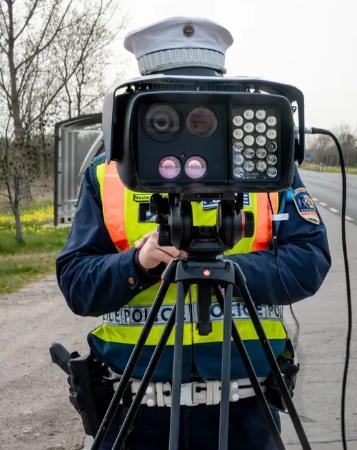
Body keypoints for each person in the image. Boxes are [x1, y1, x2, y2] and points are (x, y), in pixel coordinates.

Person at [55, 17, 331, 450]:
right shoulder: (107, 172)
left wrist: (231, 272)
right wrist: (139, 263)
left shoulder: (266, 167)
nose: (192, 120)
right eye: (172, 109)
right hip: (135, 414)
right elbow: (77, 285)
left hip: (247, 411)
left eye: (204, 107)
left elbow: (310, 261)